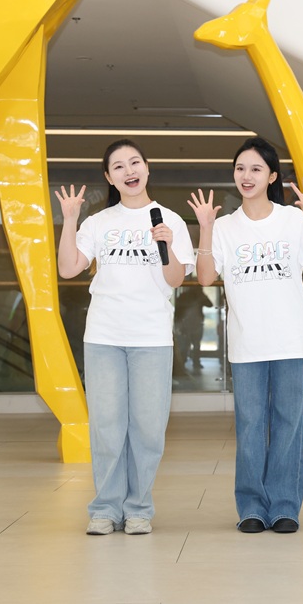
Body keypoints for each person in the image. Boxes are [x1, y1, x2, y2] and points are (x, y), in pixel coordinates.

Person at [188, 137, 303, 534]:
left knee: (288, 424)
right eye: (240, 168)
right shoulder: (224, 226)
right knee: (250, 426)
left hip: (291, 340)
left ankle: (285, 506)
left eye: (256, 169)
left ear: (272, 176)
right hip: (247, 343)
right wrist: (205, 229)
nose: (246, 176)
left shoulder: (292, 220)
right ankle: (252, 506)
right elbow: (205, 278)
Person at [55, 139, 195, 536]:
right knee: (107, 426)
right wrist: (70, 219)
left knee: (148, 427)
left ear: (147, 168)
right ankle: (105, 508)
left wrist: (166, 245)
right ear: (109, 177)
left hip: (151, 336)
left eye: (135, 163)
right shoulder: (98, 222)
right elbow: (68, 268)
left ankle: (139, 509)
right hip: (105, 335)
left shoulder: (170, 220)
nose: (129, 171)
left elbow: (175, 280)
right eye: (118, 166)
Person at [174, 286, 214, 375]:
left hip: (195, 324)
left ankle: (193, 362)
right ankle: (185, 363)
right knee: (186, 345)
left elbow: (210, 304)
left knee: (194, 345)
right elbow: (178, 309)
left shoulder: (191, 296)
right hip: (187, 324)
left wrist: (201, 296)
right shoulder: (185, 296)